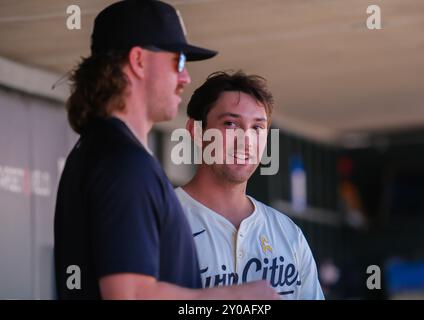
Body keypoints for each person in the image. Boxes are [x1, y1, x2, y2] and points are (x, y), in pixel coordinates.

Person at [54, 0, 278, 300]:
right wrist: (236, 302)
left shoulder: (101, 149)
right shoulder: (125, 163)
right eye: (179, 61)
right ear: (139, 61)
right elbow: (129, 296)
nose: (184, 77)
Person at [175, 70, 325, 299]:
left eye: (257, 128)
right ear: (196, 131)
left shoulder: (288, 233)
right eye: (231, 124)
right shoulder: (160, 220)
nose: (246, 141)